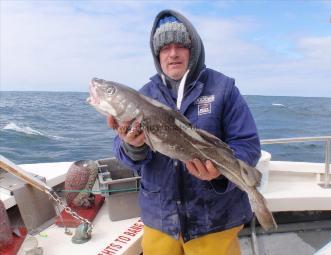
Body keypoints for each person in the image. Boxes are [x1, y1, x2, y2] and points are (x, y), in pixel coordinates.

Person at [107, 9, 261, 255]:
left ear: (194, 49)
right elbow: (125, 156)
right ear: (157, 54)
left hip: (215, 221)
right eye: (165, 48)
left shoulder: (223, 89)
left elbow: (248, 145)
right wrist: (132, 146)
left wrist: (219, 175)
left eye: (181, 45)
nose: (173, 54)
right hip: (159, 220)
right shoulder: (143, 95)